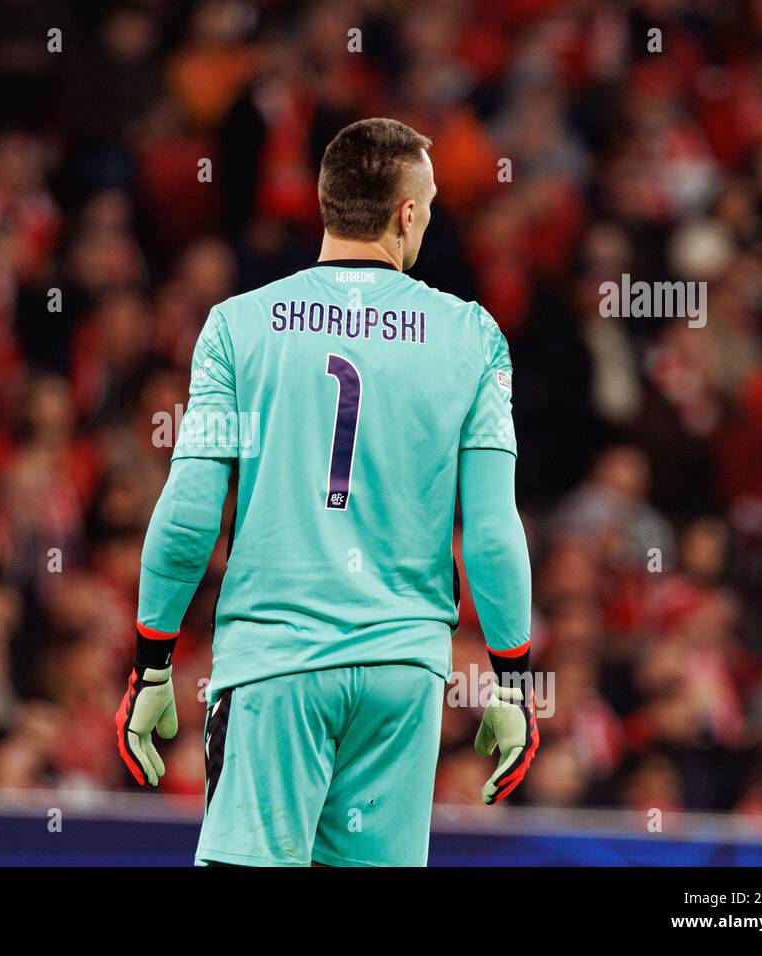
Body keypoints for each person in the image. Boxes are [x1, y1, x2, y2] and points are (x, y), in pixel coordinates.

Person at [114, 118, 537, 866]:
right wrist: (512, 682)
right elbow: (495, 528)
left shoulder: (235, 328)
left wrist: (153, 661)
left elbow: (187, 512)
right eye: (430, 203)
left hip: (274, 663)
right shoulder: (473, 337)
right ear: (406, 213)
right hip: (402, 674)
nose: (430, 217)